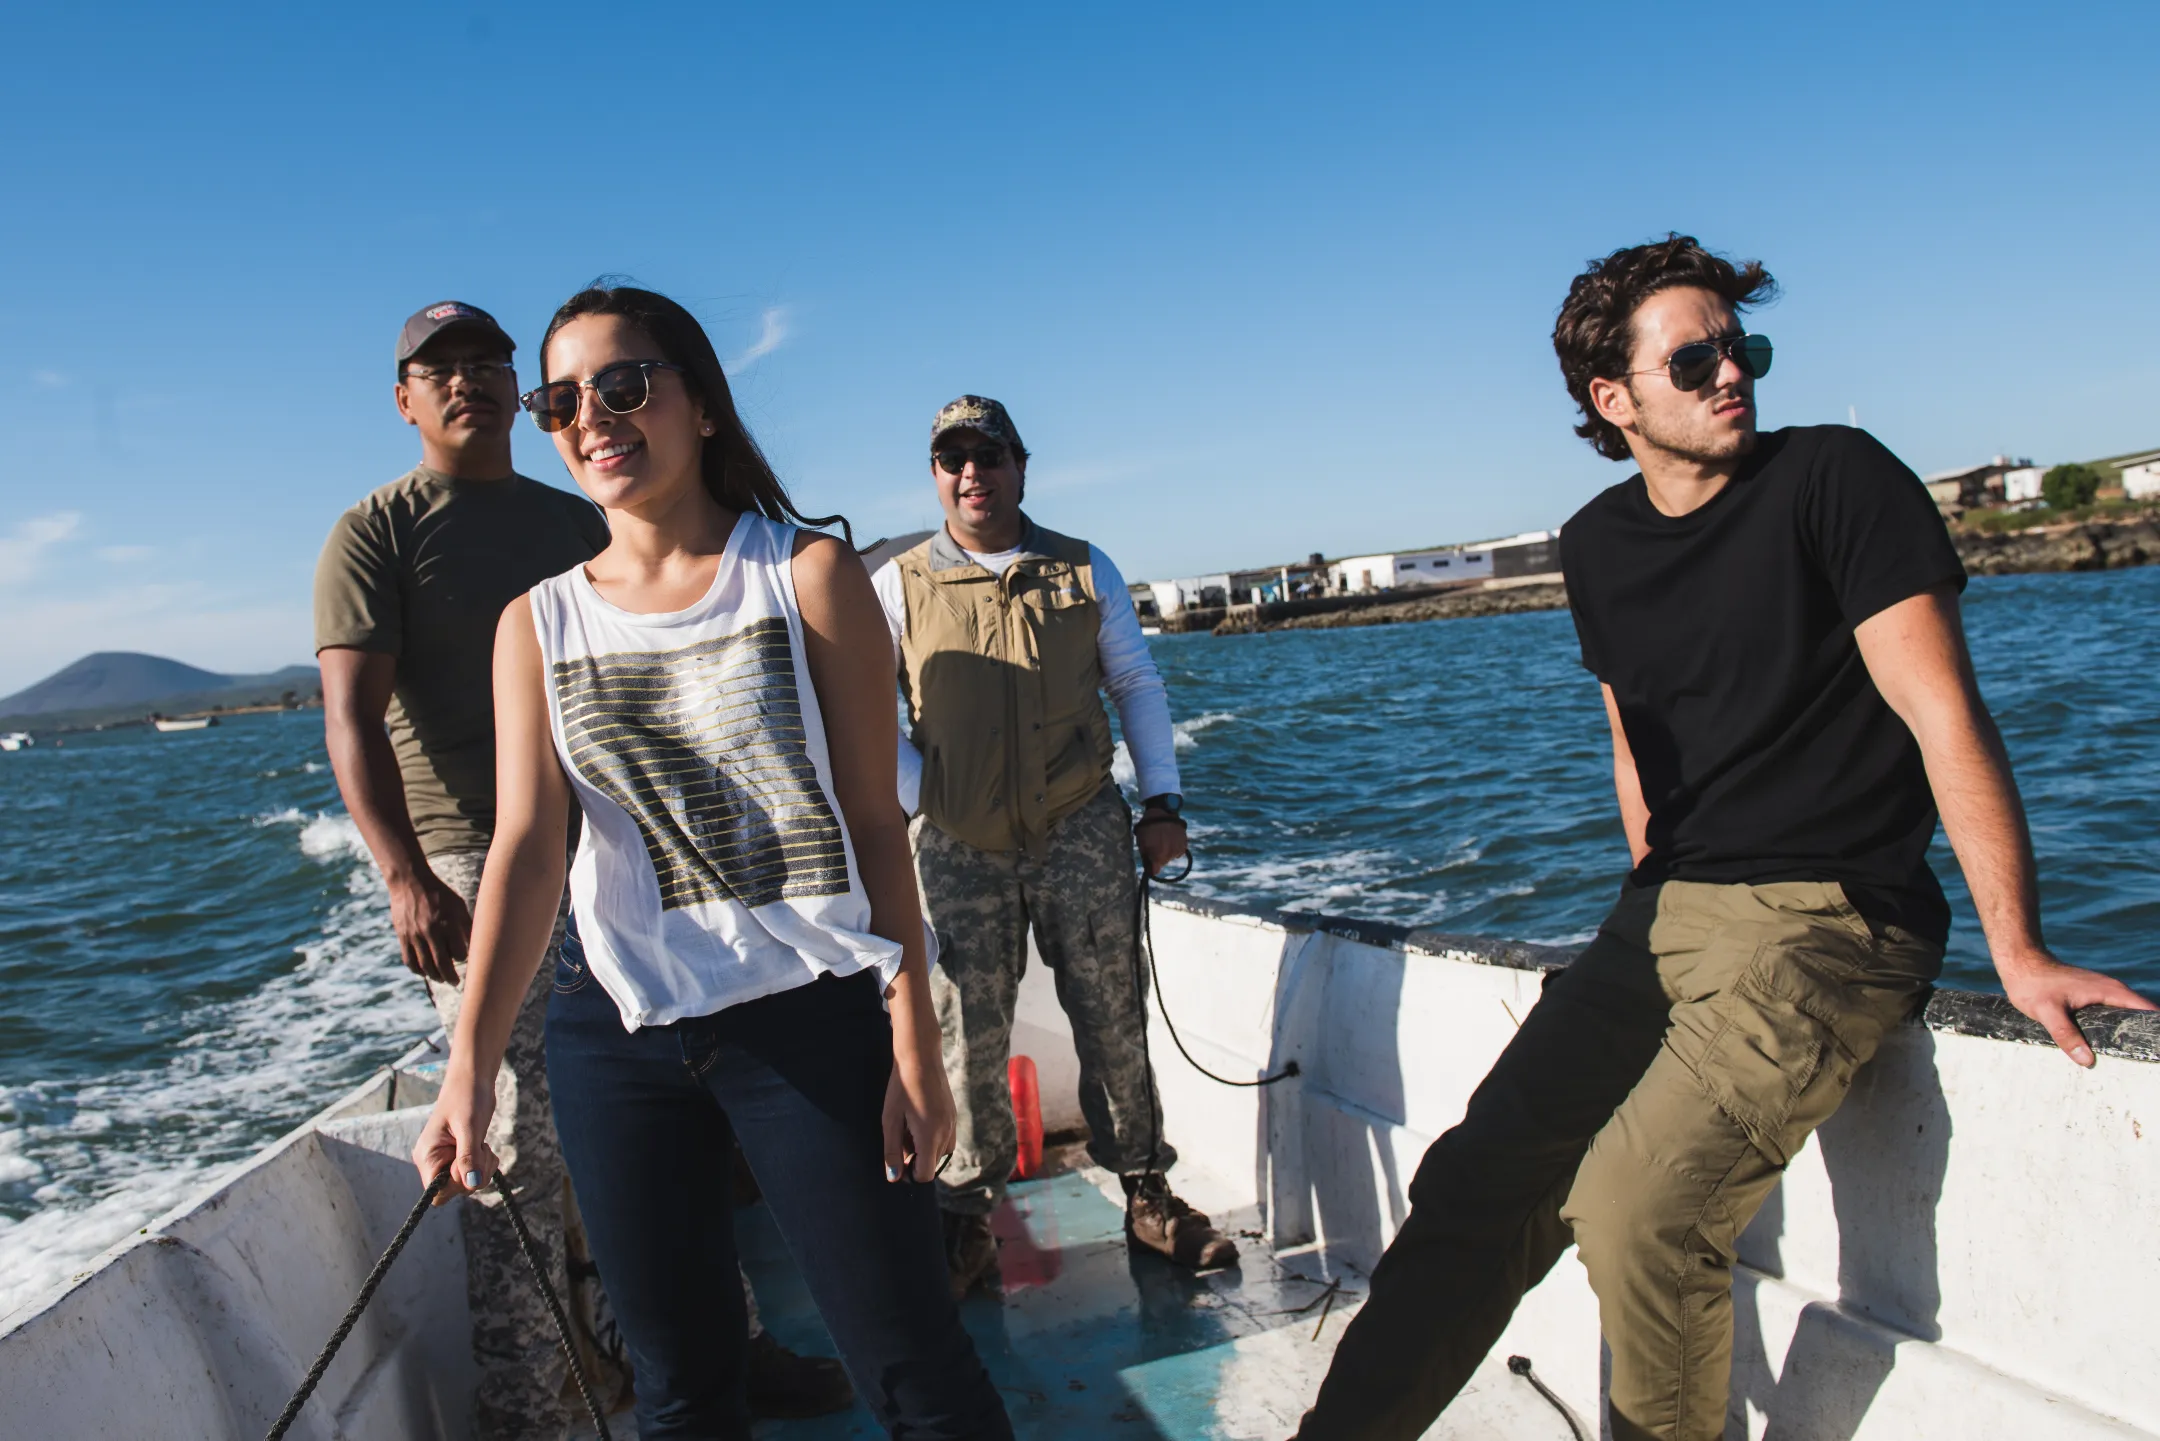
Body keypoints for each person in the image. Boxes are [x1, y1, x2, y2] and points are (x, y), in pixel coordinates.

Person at [1292, 235, 2157, 1441]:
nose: (1729, 374)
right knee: (1474, 1187)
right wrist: (1648, 897)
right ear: (1615, 399)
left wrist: (2018, 944)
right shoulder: (1595, 543)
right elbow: (1635, 739)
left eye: (1741, 348)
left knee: (1641, 1210)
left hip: (1834, 915)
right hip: (1667, 912)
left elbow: (1943, 712)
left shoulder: (1837, 480)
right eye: (1692, 358)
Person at [412, 284, 1012, 1441]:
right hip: (616, 1038)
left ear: (699, 403)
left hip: (810, 1023)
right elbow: (531, 852)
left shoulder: (805, 577)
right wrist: (470, 1069)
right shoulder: (535, 625)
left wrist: (915, 1045)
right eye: (563, 397)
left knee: (916, 1373)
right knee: (682, 1394)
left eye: (625, 383)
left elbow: (877, 825)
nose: (594, 414)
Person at [316, 300, 848, 1437]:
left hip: (616, 845)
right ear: (403, 397)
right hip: (475, 862)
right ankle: (537, 1407)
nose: (467, 382)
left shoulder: (583, 512)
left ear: (523, 391)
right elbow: (350, 717)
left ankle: (731, 1343)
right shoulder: (376, 530)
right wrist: (404, 872)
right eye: (437, 368)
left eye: (488, 364)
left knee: (673, 1095)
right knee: (512, 1144)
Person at [871, 395, 1236, 1299]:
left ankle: (1147, 1191)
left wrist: (1162, 804)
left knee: (1113, 1011)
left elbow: (1135, 684)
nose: (972, 474)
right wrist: (928, 800)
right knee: (963, 1029)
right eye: (953, 458)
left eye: (988, 455)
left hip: (1082, 826)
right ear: (934, 474)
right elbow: (870, 714)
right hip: (957, 844)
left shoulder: (1083, 567)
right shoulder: (898, 583)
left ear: (1020, 466)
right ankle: (965, 1220)